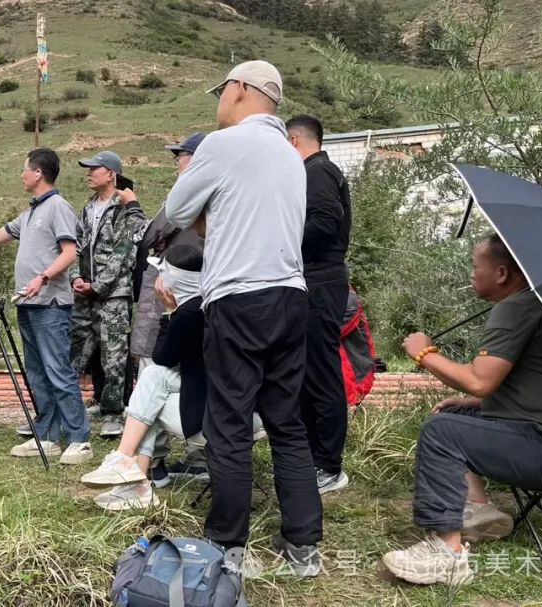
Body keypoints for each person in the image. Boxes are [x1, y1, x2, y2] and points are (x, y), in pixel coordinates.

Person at [165, 60, 324, 576]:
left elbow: (176, 208)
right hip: (291, 296)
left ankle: (225, 547)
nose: (220, 99)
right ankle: (304, 548)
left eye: (223, 89)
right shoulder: (291, 156)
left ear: (239, 90)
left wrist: (206, 210)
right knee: (286, 423)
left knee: (229, 424)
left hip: (238, 298)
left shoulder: (223, 144)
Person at [382, 235, 542, 585]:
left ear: (501, 272)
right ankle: (477, 510)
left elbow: (479, 381)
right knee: (451, 418)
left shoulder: (517, 307)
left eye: (475, 266)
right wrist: (476, 405)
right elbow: (535, 389)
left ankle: (447, 554)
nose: (472, 274)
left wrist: (424, 354)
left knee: (440, 433)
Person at [0, 148, 92, 465]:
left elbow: (69, 253)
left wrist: (42, 279)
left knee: (58, 372)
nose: (21, 175)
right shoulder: (31, 213)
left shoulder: (57, 207)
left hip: (49, 304)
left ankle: (79, 439)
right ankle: (48, 437)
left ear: (38, 173)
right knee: (37, 374)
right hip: (28, 305)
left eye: (25, 170)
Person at [79, 246, 206, 510]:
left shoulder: (190, 313)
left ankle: (129, 467)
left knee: (152, 383)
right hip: (213, 393)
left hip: (209, 411)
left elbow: (161, 356)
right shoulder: (204, 304)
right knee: (151, 385)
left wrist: (170, 312)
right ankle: (134, 478)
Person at [131, 132, 209, 483]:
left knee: (154, 367)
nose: (176, 161)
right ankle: (197, 457)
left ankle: (153, 461)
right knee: (191, 367)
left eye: (180, 155)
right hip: (196, 298)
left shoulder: (190, 191)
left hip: (173, 296)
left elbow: (153, 235)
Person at [286, 115, 353, 494]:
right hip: (314, 280)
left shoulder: (320, 172)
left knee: (322, 372)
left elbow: (325, 223)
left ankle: (329, 465)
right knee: (309, 371)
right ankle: (315, 456)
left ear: (294, 141)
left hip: (322, 279)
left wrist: (283, 234)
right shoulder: (315, 172)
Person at [70, 151, 148, 439]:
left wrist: (98, 285)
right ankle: (80, 404)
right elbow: (75, 247)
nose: (89, 173)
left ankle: (114, 412)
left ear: (111, 174)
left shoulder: (123, 207)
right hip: (85, 293)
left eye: (95, 168)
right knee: (79, 350)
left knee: (114, 355)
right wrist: (75, 278)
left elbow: (125, 253)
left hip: (114, 294)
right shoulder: (88, 208)